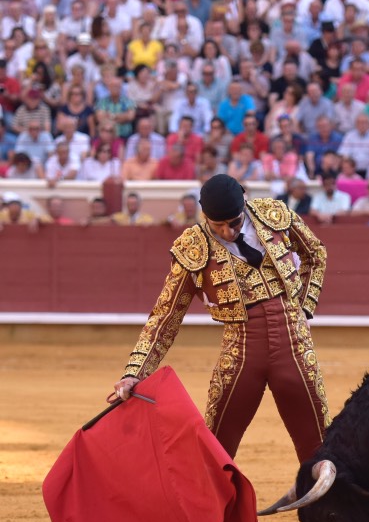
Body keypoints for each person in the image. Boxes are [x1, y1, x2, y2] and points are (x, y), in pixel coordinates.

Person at [110, 174, 330, 466]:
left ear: (245, 204)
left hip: (294, 344)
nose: (227, 232)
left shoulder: (274, 215)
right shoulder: (193, 247)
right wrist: (134, 371)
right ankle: (213, 511)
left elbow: (315, 254)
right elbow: (165, 316)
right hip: (240, 352)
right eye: (218, 226)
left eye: (235, 223)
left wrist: (303, 307)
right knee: (215, 449)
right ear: (205, 217)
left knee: (321, 447)